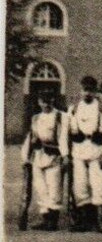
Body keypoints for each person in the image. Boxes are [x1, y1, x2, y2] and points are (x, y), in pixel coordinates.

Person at [66, 77, 102, 233]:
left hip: (96, 150)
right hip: (79, 150)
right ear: (80, 90)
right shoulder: (73, 109)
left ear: (95, 92)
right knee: (80, 186)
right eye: (84, 90)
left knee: (99, 185)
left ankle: (101, 220)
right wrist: (66, 154)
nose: (87, 93)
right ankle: (82, 220)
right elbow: (65, 133)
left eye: (90, 90)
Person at [23, 93, 70, 230]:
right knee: (40, 187)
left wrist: (65, 155)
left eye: (48, 101)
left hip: (54, 155)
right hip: (38, 155)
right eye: (43, 102)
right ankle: (45, 219)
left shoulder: (61, 116)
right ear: (39, 102)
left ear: (53, 100)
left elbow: (63, 137)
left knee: (54, 187)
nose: (46, 104)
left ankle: (53, 221)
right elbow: (31, 137)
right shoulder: (36, 118)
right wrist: (25, 157)